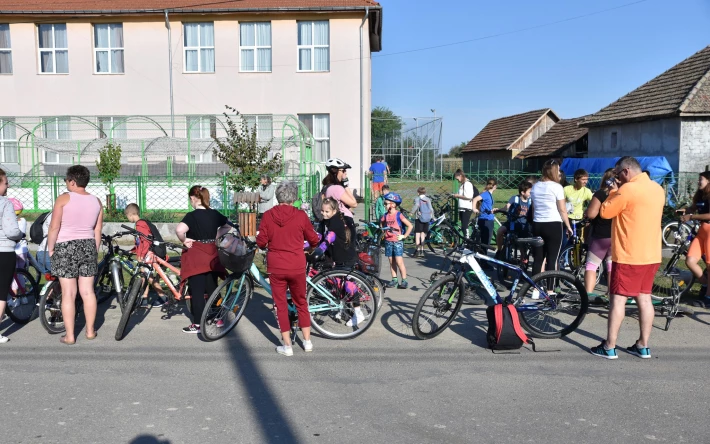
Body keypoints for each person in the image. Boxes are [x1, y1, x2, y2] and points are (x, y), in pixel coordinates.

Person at [591, 156, 665, 360]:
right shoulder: (657, 189)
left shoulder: (627, 190)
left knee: (618, 300)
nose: (617, 178)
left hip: (629, 254)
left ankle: (609, 346)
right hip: (651, 254)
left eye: (617, 174)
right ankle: (643, 345)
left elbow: (605, 212)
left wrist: (613, 191)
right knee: (645, 298)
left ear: (626, 171)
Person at [256, 181, 320, 355]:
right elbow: (313, 239)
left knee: (281, 305)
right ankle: (307, 342)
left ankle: (287, 346)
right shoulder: (300, 215)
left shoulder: (268, 215)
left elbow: (261, 242)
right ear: (294, 198)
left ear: (278, 196)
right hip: (296, 264)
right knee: (301, 302)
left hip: (276, 265)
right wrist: (309, 248)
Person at [46, 165, 102, 345]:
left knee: (68, 293)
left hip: (65, 246)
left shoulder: (63, 199)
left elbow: (54, 227)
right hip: (88, 245)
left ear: (72, 181)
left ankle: (70, 336)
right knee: (88, 291)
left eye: (66, 180)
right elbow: (97, 230)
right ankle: (90, 331)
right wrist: (94, 250)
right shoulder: (97, 201)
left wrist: (51, 248)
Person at [176, 186, 231, 334]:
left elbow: (179, 230)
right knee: (213, 287)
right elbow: (227, 226)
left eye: (190, 199)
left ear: (193, 198)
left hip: (196, 255)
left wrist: (184, 240)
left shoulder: (191, 216)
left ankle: (198, 324)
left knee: (197, 291)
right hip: (212, 254)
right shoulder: (214, 214)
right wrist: (216, 236)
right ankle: (218, 317)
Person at [320, 197, 366, 326]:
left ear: (334, 211)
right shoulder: (327, 221)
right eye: (322, 211)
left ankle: (358, 313)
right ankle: (344, 309)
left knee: (349, 285)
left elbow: (330, 237)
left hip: (346, 258)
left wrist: (320, 249)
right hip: (339, 257)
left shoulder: (335, 223)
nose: (324, 214)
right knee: (339, 284)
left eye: (327, 211)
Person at [530, 160, 573, 277]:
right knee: (552, 259)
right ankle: (550, 287)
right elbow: (562, 209)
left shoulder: (535, 186)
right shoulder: (557, 187)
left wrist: (534, 222)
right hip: (553, 224)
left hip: (538, 223)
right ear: (554, 171)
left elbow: (533, 209)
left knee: (538, 259)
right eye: (558, 170)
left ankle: (534, 285)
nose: (559, 173)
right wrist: (568, 226)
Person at [124, 203, 167, 308]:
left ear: (130, 214)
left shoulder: (140, 224)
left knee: (147, 277)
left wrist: (141, 256)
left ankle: (163, 297)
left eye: (127, 216)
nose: (127, 218)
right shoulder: (142, 223)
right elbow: (140, 242)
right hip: (147, 253)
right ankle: (144, 298)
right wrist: (133, 251)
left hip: (148, 254)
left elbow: (146, 241)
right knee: (145, 276)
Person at [678, 171, 710, 307]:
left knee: (709, 265)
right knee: (690, 260)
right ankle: (705, 284)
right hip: (702, 231)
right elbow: (692, 208)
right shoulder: (701, 195)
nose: (698, 182)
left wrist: (691, 217)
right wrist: (684, 211)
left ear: (708, 181)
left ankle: (708, 298)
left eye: (700, 179)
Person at [583, 169, 614, 299]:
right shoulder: (622, 195)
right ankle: (612, 295)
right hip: (616, 235)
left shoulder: (601, 194)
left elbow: (591, 214)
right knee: (611, 265)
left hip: (601, 234)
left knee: (591, 265)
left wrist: (586, 212)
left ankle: (588, 295)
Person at [0, 169, 23, 343]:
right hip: (3, 250)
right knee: (1, 293)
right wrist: (20, 234)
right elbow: (11, 230)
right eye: (6, 183)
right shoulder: (5, 203)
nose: (8, 186)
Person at [380, 192, 413, 289]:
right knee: (391, 261)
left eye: (386, 203)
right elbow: (381, 222)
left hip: (397, 241)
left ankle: (404, 280)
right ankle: (394, 279)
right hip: (388, 241)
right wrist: (383, 230)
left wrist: (404, 236)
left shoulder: (399, 215)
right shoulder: (385, 215)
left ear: (393, 204)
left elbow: (410, 226)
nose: (385, 205)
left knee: (399, 261)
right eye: (385, 203)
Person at [494, 180, 533, 251]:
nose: (531, 194)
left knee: (522, 240)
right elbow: (506, 207)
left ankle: (523, 255)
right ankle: (499, 250)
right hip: (512, 223)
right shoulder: (515, 198)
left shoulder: (530, 201)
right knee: (500, 231)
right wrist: (499, 210)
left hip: (524, 225)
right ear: (523, 192)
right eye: (529, 192)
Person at [323, 158, 357, 234]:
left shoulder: (328, 186)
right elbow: (354, 203)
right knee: (350, 241)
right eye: (343, 170)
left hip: (335, 222)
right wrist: (346, 185)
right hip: (344, 222)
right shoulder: (336, 188)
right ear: (336, 172)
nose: (345, 173)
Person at [452, 169, 479, 240]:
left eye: (457, 178)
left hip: (466, 208)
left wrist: (458, 196)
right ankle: (466, 240)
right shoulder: (463, 184)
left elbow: (469, 196)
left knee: (465, 226)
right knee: (464, 226)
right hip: (462, 208)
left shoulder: (467, 184)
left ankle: (467, 241)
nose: (457, 180)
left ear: (460, 176)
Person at [472, 178, 497, 247]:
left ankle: (483, 252)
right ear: (495, 186)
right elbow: (475, 199)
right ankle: (483, 252)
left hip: (488, 218)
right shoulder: (486, 194)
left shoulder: (488, 194)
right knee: (486, 241)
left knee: (486, 240)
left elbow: (487, 206)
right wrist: (474, 208)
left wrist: (492, 210)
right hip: (486, 219)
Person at [411, 187, 433, 257]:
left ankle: (417, 250)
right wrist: (432, 217)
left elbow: (416, 205)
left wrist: (411, 212)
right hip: (427, 218)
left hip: (419, 218)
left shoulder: (417, 199)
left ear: (418, 193)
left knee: (417, 235)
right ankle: (422, 251)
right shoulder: (428, 199)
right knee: (423, 234)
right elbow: (431, 209)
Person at [8, 198, 28, 270]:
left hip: (12, 250)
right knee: (21, 271)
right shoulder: (23, 220)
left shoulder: (8, 222)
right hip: (23, 250)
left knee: (13, 272)